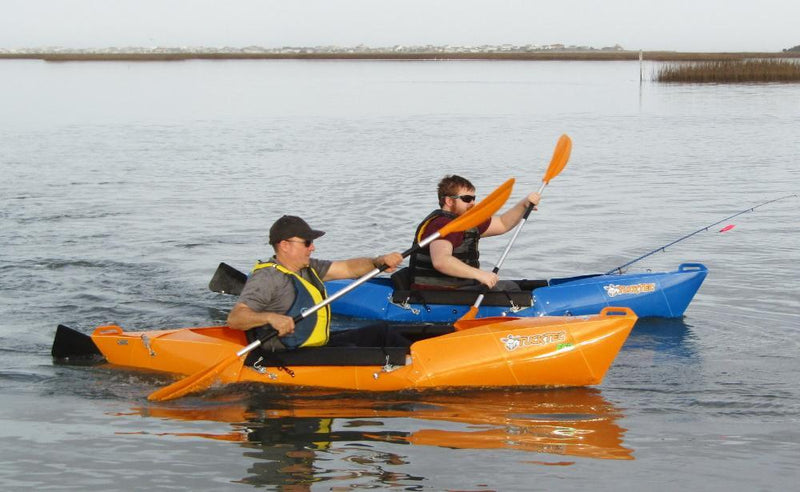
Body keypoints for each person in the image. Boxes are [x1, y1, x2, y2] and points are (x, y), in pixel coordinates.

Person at [227, 215, 409, 350]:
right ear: (284, 245)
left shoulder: (308, 267)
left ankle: (418, 357)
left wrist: (377, 262)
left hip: (318, 345)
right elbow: (235, 318)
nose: (312, 247)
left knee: (381, 332)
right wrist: (270, 318)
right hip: (289, 355)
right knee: (359, 351)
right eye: (307, 243)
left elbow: (348, 268)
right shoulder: (267, 277)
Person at [408, 174, 541, 290]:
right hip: (436, 292)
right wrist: (480, 275)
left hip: (460, 287)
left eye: (473, 198)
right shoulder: (442, 224)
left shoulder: (466, 221)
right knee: (511, 289)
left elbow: (502, 223)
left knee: (517, 286)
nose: (472, 203)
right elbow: (441, 261)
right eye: (466, 199)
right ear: (449, 201)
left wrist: (524, 204)